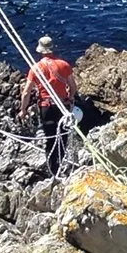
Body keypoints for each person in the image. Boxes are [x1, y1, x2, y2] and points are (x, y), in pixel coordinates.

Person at [20, 36, 80, 171]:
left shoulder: (35, 69)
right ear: (52, 48)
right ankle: (62, 163)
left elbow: (26, 92)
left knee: (50, 138)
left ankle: (53, 168)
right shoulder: (64, 65)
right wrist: (69, 98)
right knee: (63, 136)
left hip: (46, 108)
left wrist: (23, 110)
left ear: (40, 50)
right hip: (62, 106)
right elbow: (73, 86)